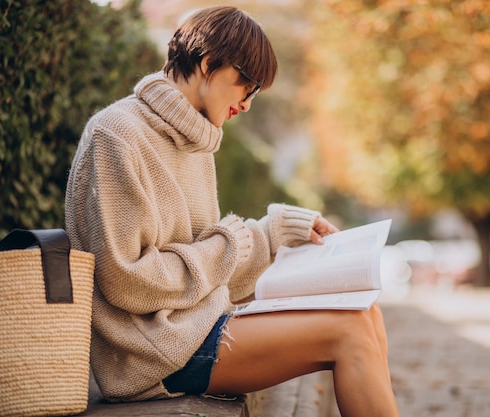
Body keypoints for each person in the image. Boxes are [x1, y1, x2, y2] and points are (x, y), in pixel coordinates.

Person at [65, 6, 401, 417]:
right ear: (208, 63)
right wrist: (227, 243)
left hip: (199, 328)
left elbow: (212, 270)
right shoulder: (116, 135)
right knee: (348, 332)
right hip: (152, 355)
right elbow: (125, 280)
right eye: (248, 85)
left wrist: (274, 235)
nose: (247, 104)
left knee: (364, 311)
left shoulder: (196, 141)